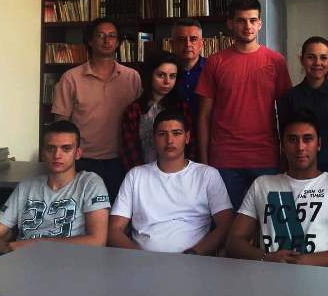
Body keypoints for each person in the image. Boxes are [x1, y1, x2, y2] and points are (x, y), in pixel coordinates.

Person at [226, 110, 328, 268]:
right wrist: (266, 258)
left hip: (323, 279)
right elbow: (233, 241)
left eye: (307, 139)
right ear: (282, 146)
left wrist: (305, 262)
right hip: (270, 277)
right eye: (292, 139)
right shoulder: (262, 184)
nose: (300, 147)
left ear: (319, 144)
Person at [195, 0, 292, 209]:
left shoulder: (276, 61)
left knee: (269, 221)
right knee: (228, 222)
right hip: (224, 159)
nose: (247, 26)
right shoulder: (215, 62)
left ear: (260, 23)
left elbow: (287, 114)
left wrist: (286, 157)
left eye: (252, 20)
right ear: (230, 24)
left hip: (265, 157)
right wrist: (203, 161)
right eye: (241, 20)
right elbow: (203, 116)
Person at [0, 121, 110, 263]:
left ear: (77, 153)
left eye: (66, 148)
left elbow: (98, 241)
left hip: (68, 262)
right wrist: (10, 249)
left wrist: (37, 245)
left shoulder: (90, 183)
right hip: (22, 263)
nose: (57, 155)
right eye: (51, 148)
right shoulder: (26, 186)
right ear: (43, 153)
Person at [109, 109, 233, 254]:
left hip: (193, 262)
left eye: (177, 133)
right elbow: (114, 230)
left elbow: (226, 225)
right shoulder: (136, 175)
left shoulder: (207, 175)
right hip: (142, 263)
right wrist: (140, 258)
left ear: (187, 137)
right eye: (162, 134)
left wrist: (194, 254)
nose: (169, 140)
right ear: (154, 139)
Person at [52, 17, 141, 201]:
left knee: (117, 212)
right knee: (81, 212)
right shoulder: (71, 78)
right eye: (100, 35)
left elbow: (140, 120)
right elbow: (61, 125)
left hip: (121, 160)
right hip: (82, 160)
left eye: (112, 36)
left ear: (118, 42)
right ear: (90, 40)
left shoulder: (132, 77)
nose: (106, 40)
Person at [278, 36, 328, 174]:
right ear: (302, 60)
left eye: (323, 58)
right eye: (311, 57)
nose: (317, 63)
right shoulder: (289, 97)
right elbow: (284, 140)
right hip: (299, 172)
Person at [120, 51, 192, 170]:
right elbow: (129, 152)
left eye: (172, 76)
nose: (167, 81)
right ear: (149, 75)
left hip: (179, 173)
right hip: (142, 173)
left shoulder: (182, 107)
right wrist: (143, 175)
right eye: (161, 75)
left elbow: (190, 147)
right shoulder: (133, 110)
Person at [171, 18, 205, 123]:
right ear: (172, 44)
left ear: (201, 44)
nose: (188, 44)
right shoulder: (164, 72)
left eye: (193, 39)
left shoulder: (212, 69)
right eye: (181, 39)